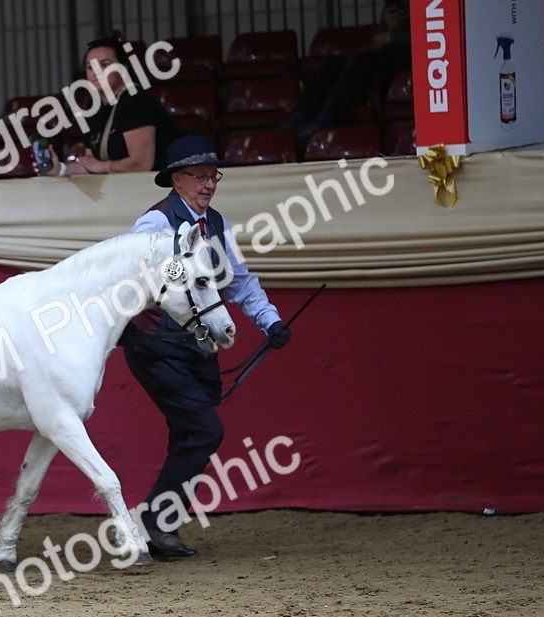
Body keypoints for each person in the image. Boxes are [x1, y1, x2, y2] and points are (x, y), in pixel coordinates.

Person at [120, 135, 291, 559]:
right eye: (199, 176)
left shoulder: (216, 224)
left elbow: (239, 282)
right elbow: (132, 279)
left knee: (191, 433)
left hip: (197, 346)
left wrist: (270, 320)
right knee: (205, 430)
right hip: (156, 344)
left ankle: (159, 527)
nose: (209, 184)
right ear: (176, 180)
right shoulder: (154, 224)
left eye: (213, 176)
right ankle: (154, 524)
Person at [38, 33, 181, 177]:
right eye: (90, 67)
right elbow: (91, 164)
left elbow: (141, 164)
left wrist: (102, 166)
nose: (96, 72)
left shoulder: (135, 100)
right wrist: (60, 169)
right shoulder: (92, 105)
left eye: (105, 64)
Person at [281, 1, 411, 140]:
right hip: (385, 52)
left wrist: (391, 37)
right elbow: (377, 41)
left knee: (360, 62)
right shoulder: (394, 4)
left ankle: (326, 117)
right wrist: (388, 29)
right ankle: (300, 115)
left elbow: (425, 34)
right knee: (331, 62)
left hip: (410, 55)